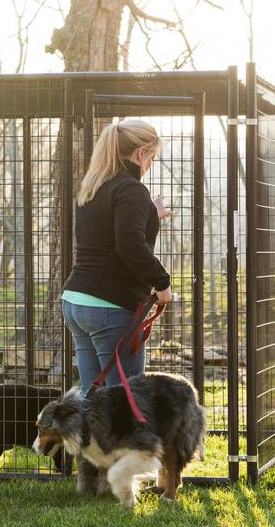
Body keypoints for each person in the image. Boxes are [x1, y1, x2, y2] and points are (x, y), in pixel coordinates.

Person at [62, 119, 173, 396]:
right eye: (152, 157)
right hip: (109, 307)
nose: (150, 165)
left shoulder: (94, 185)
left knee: (94, 397)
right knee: (126, 400)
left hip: (77, 301)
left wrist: (150, 215)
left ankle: (90, 441)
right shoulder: (131, 189)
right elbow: (129, 245)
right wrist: (162, 284)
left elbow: (107, 233)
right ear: (140, 154)